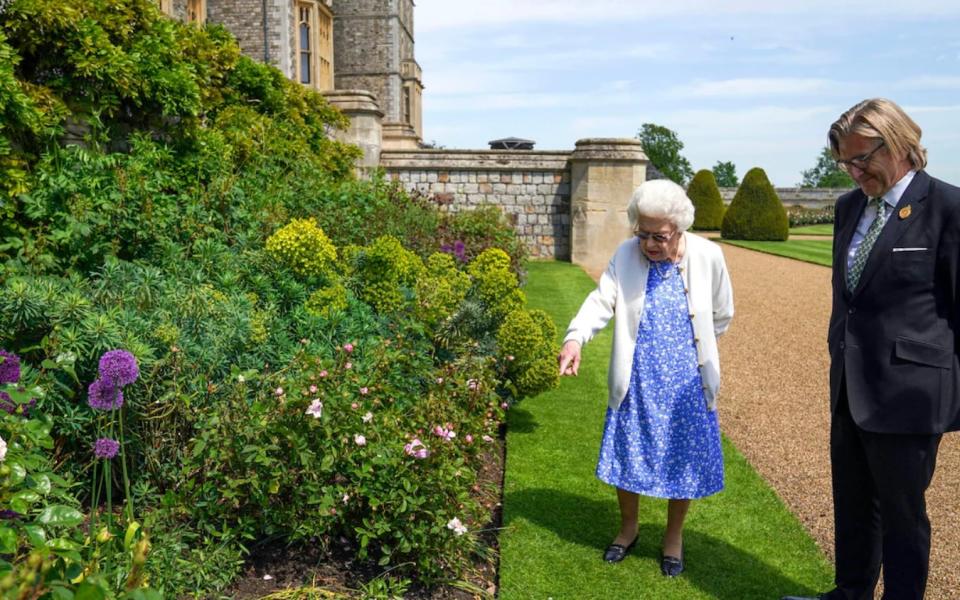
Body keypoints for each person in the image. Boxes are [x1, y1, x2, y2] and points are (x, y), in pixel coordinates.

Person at [782, 99, 960, 600]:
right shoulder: (848, 207)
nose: (855, 172)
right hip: (848, 385)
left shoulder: (948, 208)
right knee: (854, 504)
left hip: (911, 392)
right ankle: (850, 593)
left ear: (899, 143)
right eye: (846, 163)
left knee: (903, 516)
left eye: (863, 159)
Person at [557, 179, 734, 576]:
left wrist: (694, 350)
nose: (650, 244)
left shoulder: (709, 256)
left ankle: (673, 536)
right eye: (643, 234)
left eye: (660, 236)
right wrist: (574, 339)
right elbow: (601, 301)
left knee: (683, 459)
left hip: (687, 383)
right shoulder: (626, 255)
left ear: (680, 228)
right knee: (628, 453)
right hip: (637, 377)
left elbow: (723, 313)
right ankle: (629, 528)